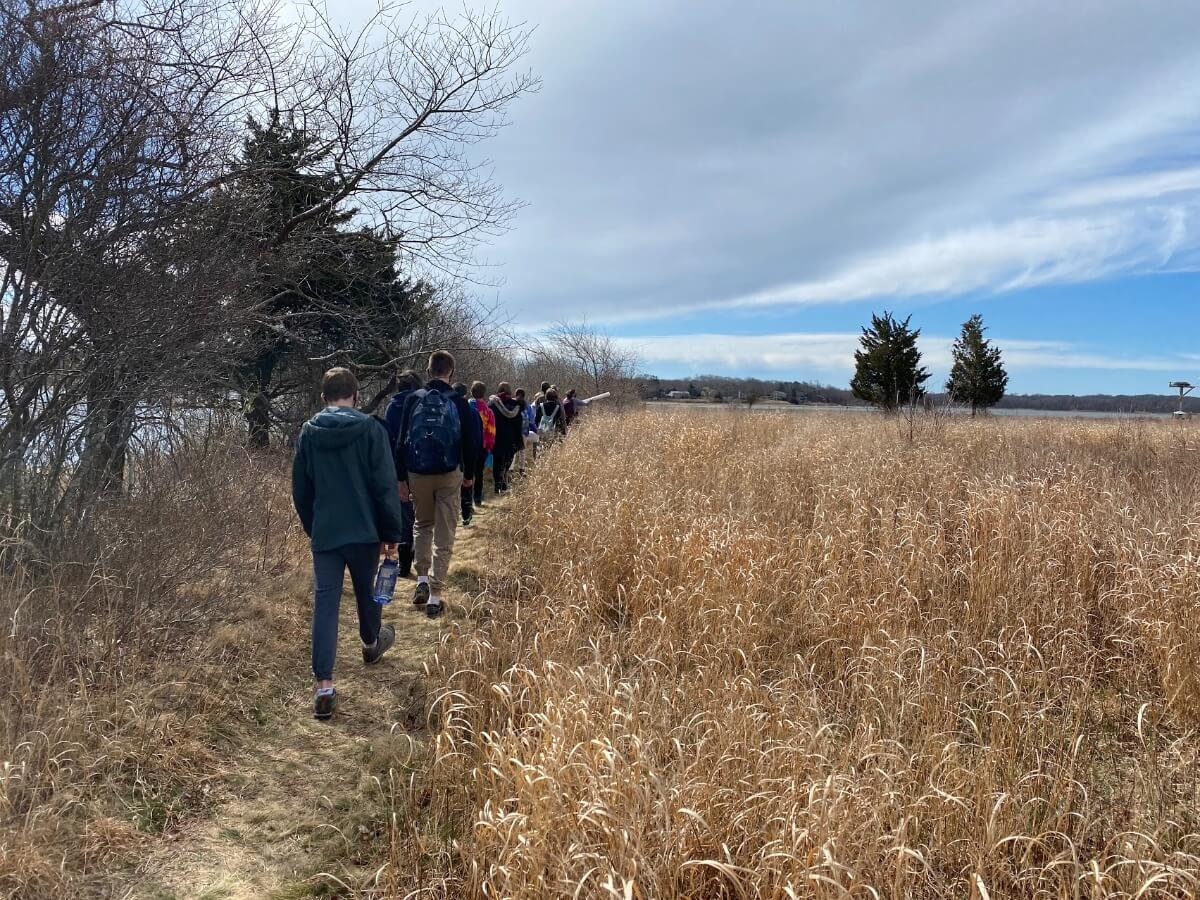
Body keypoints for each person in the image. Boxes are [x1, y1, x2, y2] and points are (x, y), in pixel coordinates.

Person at [292, 367, 404, 720]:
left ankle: (324, 687)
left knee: (325, 606)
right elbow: (385, 486)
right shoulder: (370, 430)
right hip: (364, 531)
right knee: (366, 591)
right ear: (355, 395)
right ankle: (371, 644)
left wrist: (316, 528)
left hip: (326, 532)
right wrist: (391, 534)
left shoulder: (308, 434)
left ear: (324, 398)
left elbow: (301, 490)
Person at [393, 351, 480, 618]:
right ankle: (435, 595)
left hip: (417, 472)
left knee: (423, 524)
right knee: (445, 533)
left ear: (428, 370)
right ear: (450, 371)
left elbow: (400, 441)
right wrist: (470, 475)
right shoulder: (459, 403)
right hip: (449, 472)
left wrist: (400, 479)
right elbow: (472, 442)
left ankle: (420, 580)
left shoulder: (412, 400)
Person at [382, 369, 423, 577]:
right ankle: (423, 560)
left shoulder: (392, 407)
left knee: (405, 514)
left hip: (398, 468)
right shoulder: (423, 403)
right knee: (423, 516)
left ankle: (404, 565)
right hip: (422, 465)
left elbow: (389, 440)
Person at [488, 381, 523, 493]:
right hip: (511, 438)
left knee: (497, 462)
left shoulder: (492, 405)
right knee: (508, 460)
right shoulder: (515, 405)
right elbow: (519, 424)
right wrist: (519, 440)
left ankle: (497, 485)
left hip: (496, 438)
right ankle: (503, 483)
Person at [452, 382, 475, 527]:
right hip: (463, 456)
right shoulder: (469, 409)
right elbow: (472, 438)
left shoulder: (445, 405)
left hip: (446, 458)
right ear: (465, 394)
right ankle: (466, 516)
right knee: (465, 487)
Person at [470, 381, 496, 504]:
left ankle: (466, 500)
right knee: (479, 472)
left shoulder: (466, 406)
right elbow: (491, 431)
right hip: (482, 445)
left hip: (468, 444)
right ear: (484, 393)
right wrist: (489, 447)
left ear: (471, 392)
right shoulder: (488, 411)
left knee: (467, 473)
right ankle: (478, 498)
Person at [515, 387, 536, 471]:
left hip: (514, 431)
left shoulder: (513, 404)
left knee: (513, 452)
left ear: (516, 395)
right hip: (524, 431)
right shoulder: (527, 406)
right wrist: (535, 430)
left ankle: (511, 469)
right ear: (524, 396)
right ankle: (522, 469)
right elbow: (531, 420)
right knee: (522, 451)